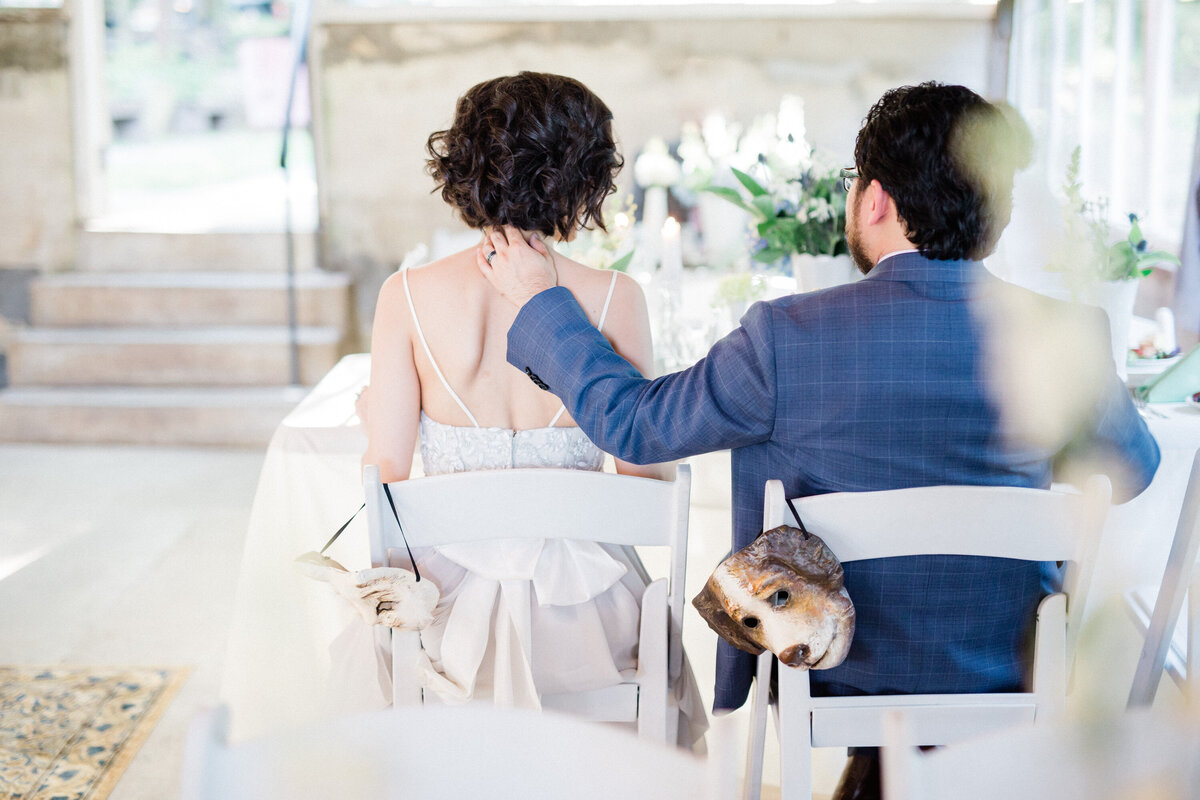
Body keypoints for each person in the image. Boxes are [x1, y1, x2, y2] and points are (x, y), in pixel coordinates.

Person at [479, 82, 1160, 797]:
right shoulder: (1065, 338)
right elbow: (1133, 472)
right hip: (1011, 667)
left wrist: (539, 303)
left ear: (874, 201)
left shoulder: (786, 337)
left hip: (833, 670)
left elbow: (639, 427)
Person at [357, 72, 705, 738]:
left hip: (449, 621)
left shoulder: (404, 296)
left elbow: (388, 478)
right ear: (582, 177)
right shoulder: (615, 299)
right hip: (590, 616)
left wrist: (375, 420)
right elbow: (644, 480)